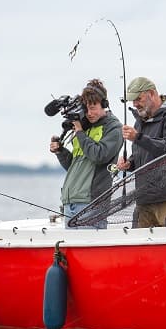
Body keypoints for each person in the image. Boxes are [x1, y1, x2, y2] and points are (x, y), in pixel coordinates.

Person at [49, 78, 123, 229]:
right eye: (86, 108)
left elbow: (99, 155)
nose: (89, 113)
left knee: (89, 245)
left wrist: (79, 131)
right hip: (71, 202)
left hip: (92, 203)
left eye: (93, 108)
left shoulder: (114, 127)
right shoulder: (84, 128)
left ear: (104, 105)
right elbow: (74, 165)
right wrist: (60, 151)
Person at [116, 76, 166, 227]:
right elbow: (143, 154)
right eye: (132, 100)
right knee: (138, 242)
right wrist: (129, 163)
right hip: (144, 200)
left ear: (151, 93)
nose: (135, 104)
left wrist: (138, 137)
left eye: (138, 99)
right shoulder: (139, 121)